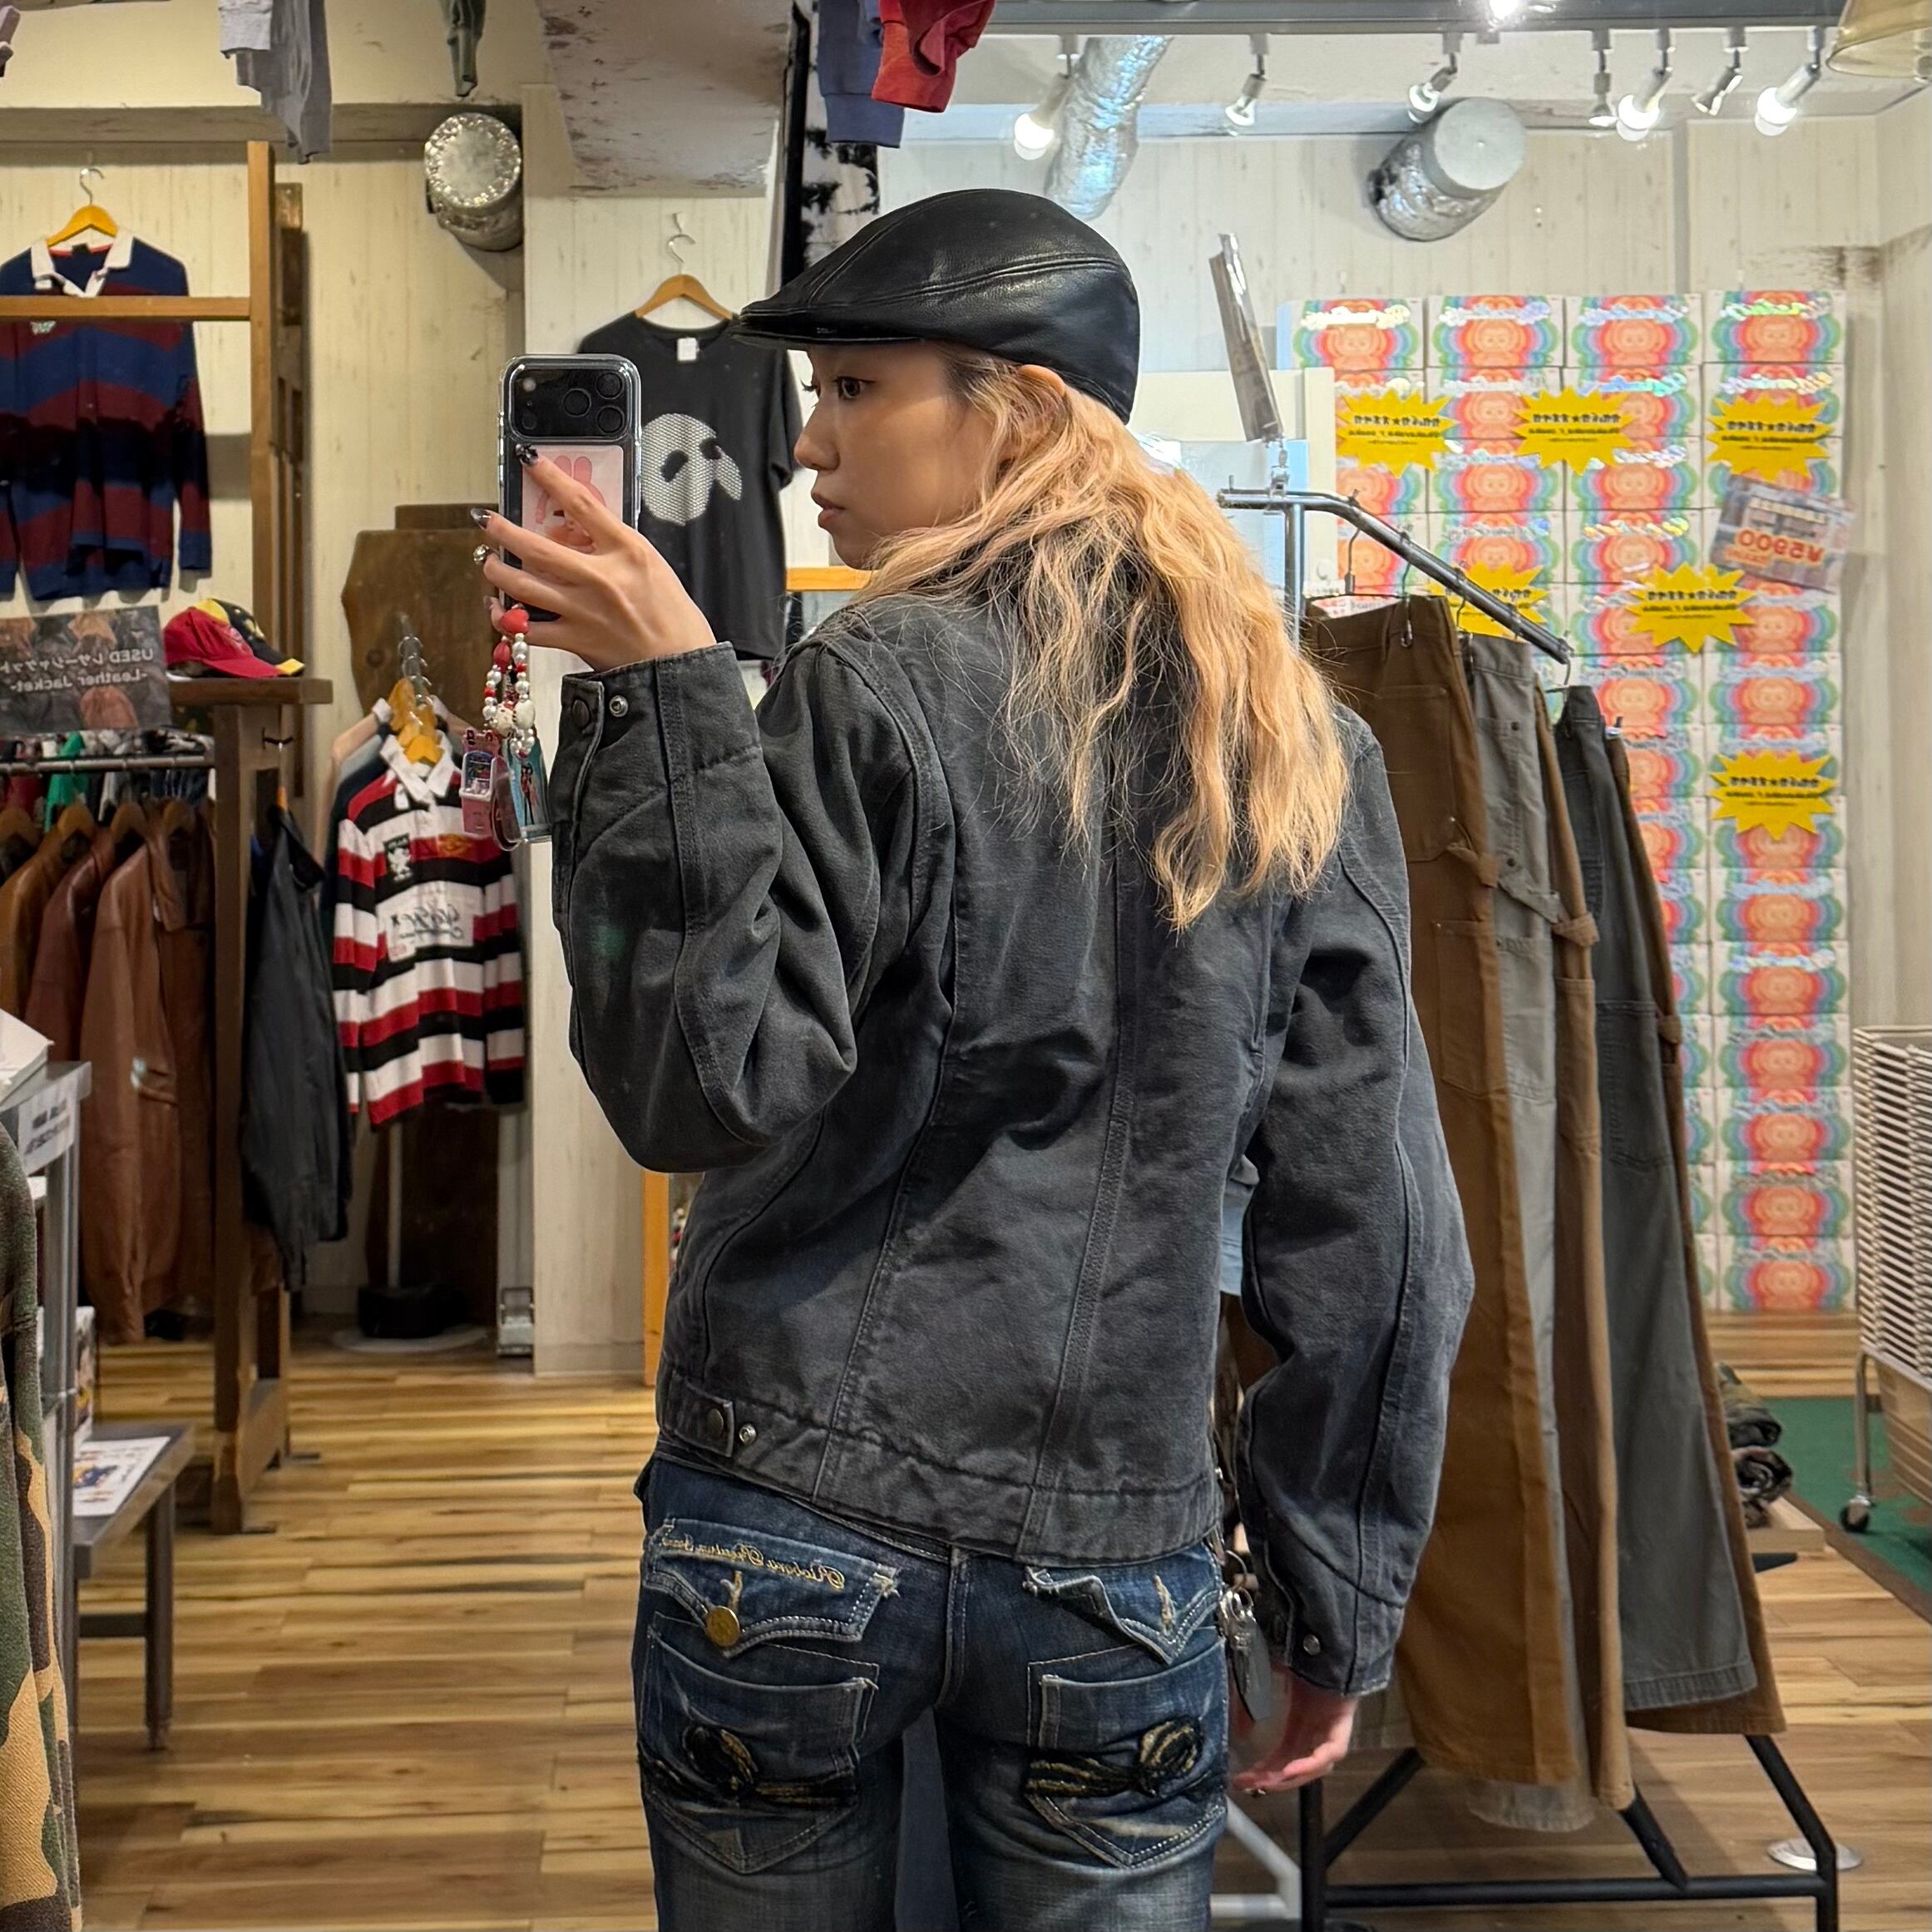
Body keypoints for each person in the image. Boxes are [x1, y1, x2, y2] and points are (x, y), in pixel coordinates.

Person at [477, 189, 1474, 1932]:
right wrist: (1337, 1597)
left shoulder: (873, 676)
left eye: (856, 389)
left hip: (787, 1519)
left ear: (1016, 410)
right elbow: (1373, 1222)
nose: (807, 443)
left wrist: (662, 697)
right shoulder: (1289, 734)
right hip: (1112, 1554)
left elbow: (699, 1086)